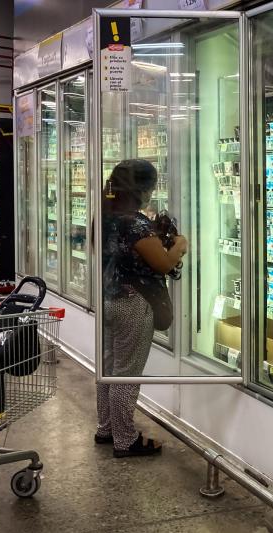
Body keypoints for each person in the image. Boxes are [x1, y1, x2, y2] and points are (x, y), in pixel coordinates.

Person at [96, 159, 187, 458]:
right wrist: (179, 245)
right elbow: (162, 263)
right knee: (127, 372)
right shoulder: (134, 223)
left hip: (108, 299)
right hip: (133, 304)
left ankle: (106, 428)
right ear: (143, 189)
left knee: (108, 368)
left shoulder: (105, 215)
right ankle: (126, 440)